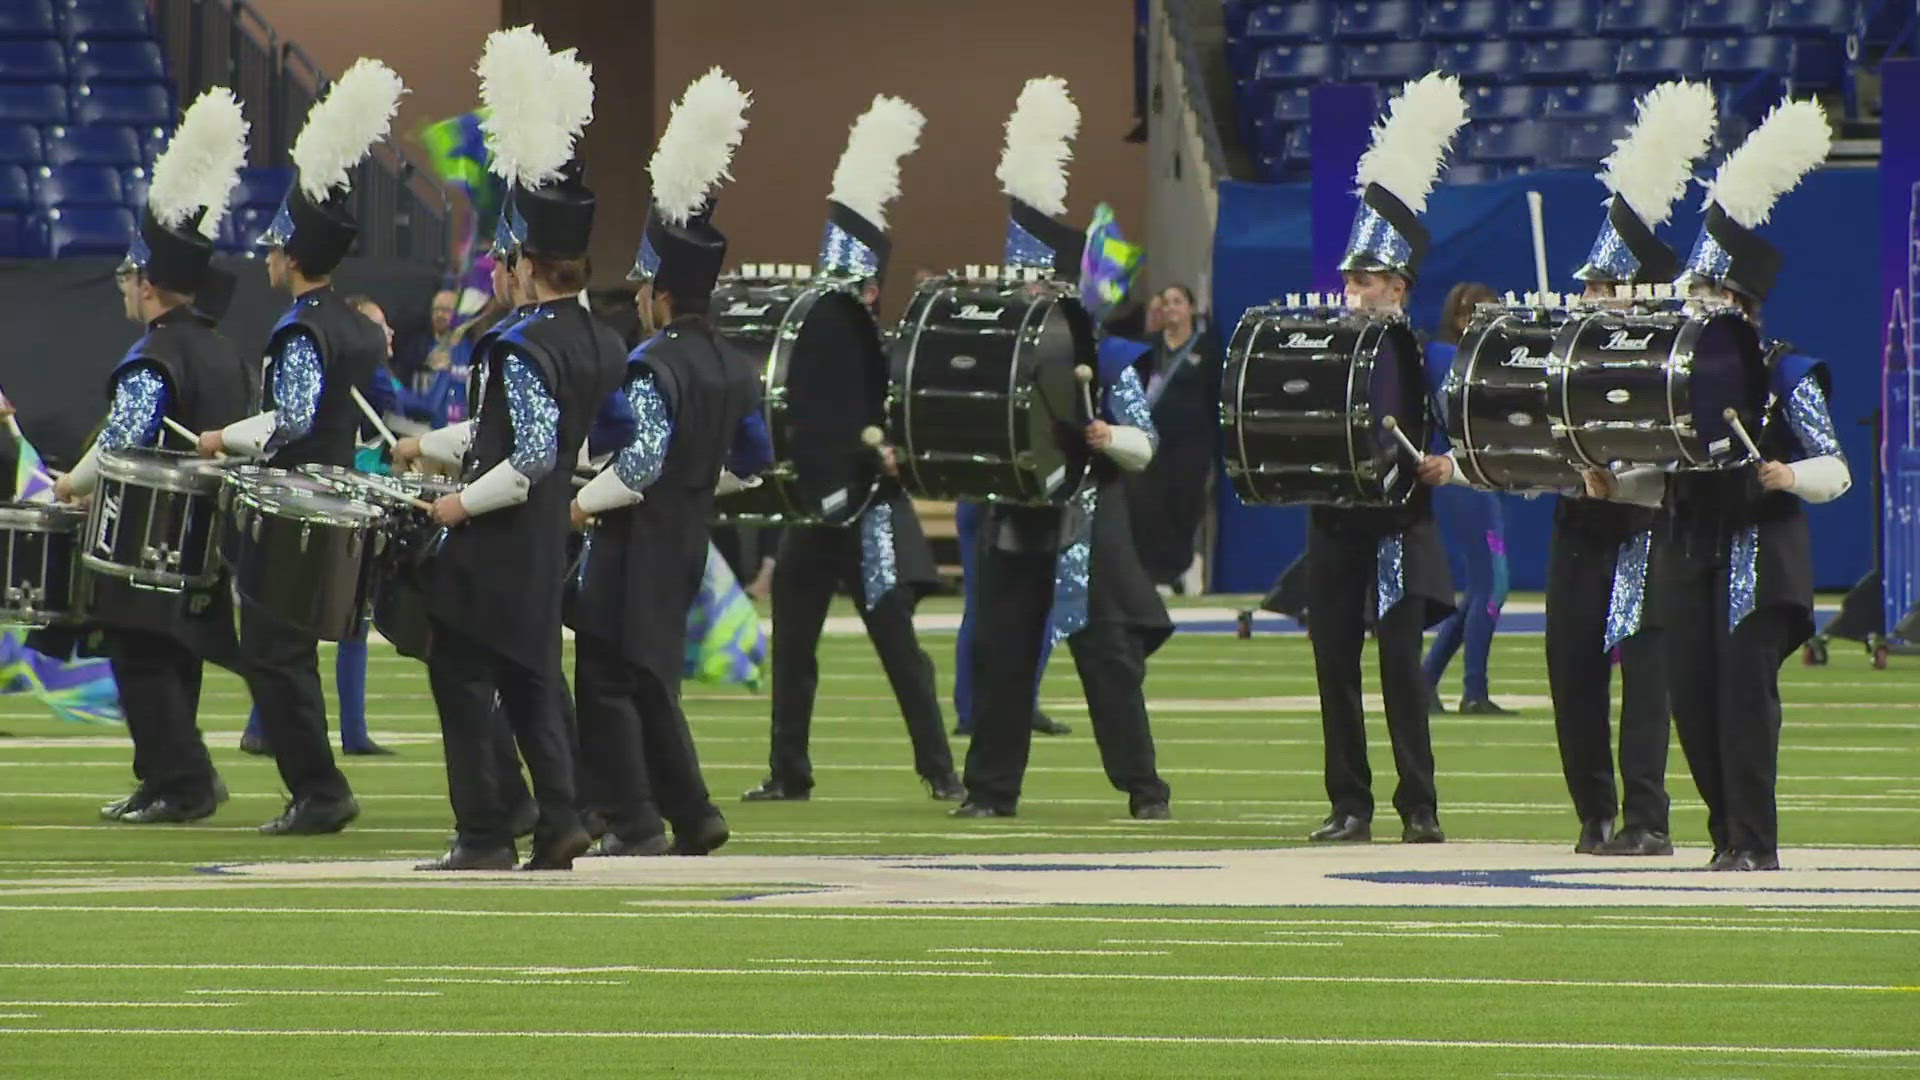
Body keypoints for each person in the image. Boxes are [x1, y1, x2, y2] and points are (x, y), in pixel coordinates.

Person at [1586, 97, 1845, 872]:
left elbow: (1836, 466)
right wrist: (1616, 481)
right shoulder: (1677, 384)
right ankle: (1723, 833)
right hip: (1686, 549)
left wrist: (1783, 472)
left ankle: (1754, 843)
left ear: (1742, 308)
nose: (1695, 308)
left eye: (1710, 298)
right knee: (1693, 705)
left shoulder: (1785, 369)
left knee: (1743, 705)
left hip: (1758, 554)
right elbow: (1658, 472)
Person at [402, 30, 621, 872]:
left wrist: (454, 501)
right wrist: (432, 447)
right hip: (547, 548)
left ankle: (486, 830)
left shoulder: (519, 345)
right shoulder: (600, 339)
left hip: (495, 546)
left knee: (460, 677)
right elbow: (551, 441)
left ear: (526, 261)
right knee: (534, 683)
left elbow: (525, 455)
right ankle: (561, 818)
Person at [196, 59, 407, 837]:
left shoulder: (299, 328)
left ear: (291, 253)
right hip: (343, 496)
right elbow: (379, 411)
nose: (269, 259)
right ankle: (318, 783)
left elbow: (287, 417)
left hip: (292, 509)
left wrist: (223, 438)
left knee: (276, 653)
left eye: (275, 248)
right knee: (299, 653)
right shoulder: (358, 326)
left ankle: (318, 789)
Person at [955, 78, 1171, 821]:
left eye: (1036, 280)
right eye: (1018, 280)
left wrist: (1108, 436)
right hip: (1014, 515)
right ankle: (990, 791)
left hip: (1086, 518)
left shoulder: (1105, 354)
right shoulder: (994, 353)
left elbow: (1147, 445)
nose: (1024, 293)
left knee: (1107, 660)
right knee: (1002, 654)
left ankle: (1145, 790)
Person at [570, 68, 768, 858]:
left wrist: (587, 504)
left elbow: (641, 459)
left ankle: (644, 821)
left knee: (609, 681)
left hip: (637, 538)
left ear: (662, 296)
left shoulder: (652, 361)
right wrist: (696, 482)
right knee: (651, 679)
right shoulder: (738, 363)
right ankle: (691, 816)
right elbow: (751, 463)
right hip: (689, 536)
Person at [742, 94, 963, 804]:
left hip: (872, 514)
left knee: (900, 651)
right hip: (811, 511)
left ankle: (941, 771)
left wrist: (901, 454)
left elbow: (921, 426)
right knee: (792, 651)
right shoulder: (806, 349)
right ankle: (788, 772)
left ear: (872, 288)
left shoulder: (895, 351)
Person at [52, 88, 253, 824]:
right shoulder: (223, 347)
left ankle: (183, 781)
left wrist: (67, 487)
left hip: (147, 534)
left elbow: (122, 440)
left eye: (130, 283)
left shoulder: (154, 353)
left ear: (147, 283)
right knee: (177, 655)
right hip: (205, 532)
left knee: (140, 656)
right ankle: (166, 776)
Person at [1545, 81, 1715, 857]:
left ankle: (1647, 818)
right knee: (1571, 671)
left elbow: (1682, 450)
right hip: (1579, 525)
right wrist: (1568, 473)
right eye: (1588, 286)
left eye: (1604, 287)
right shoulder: (1561, 356)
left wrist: (1625, 481)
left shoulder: (1675, 358)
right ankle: (1594, 812)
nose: (1590, 297)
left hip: (1646, 529)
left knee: (1645, 679)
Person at [1304, 72, 1467, 846]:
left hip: (1402, 524)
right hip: (1334, 524)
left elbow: (1470, 435)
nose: (1351, 292)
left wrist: (1451, 464)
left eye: (1364, 281)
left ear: (1398, 285)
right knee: (1334, 669)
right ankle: (1349, 805)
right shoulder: (1323, 349)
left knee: (1401, 671)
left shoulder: (1429, 356)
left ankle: (1420, 805)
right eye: (1347, 280)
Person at [1420, 281, 1513, 715]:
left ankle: (1428, 680)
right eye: (1474, 314)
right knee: (1492, 584)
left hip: (1475, 476)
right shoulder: (1446, 356)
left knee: (1481, 588)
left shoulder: (1472, 356)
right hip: (1459, 479)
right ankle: (1474, 690)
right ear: (1457, 318)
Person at [1128, 282, 1221, 591]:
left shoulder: (1206, 347)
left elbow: (1215, 395)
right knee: (1151, 507)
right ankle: (1157, 574)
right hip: (1153, 442)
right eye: (1165, 303)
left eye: (1177, 302)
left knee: (1185, 505)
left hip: (1192, 444)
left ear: (1191, 308)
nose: (1171, 308)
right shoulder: (1149, 346)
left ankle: (1181, 566)